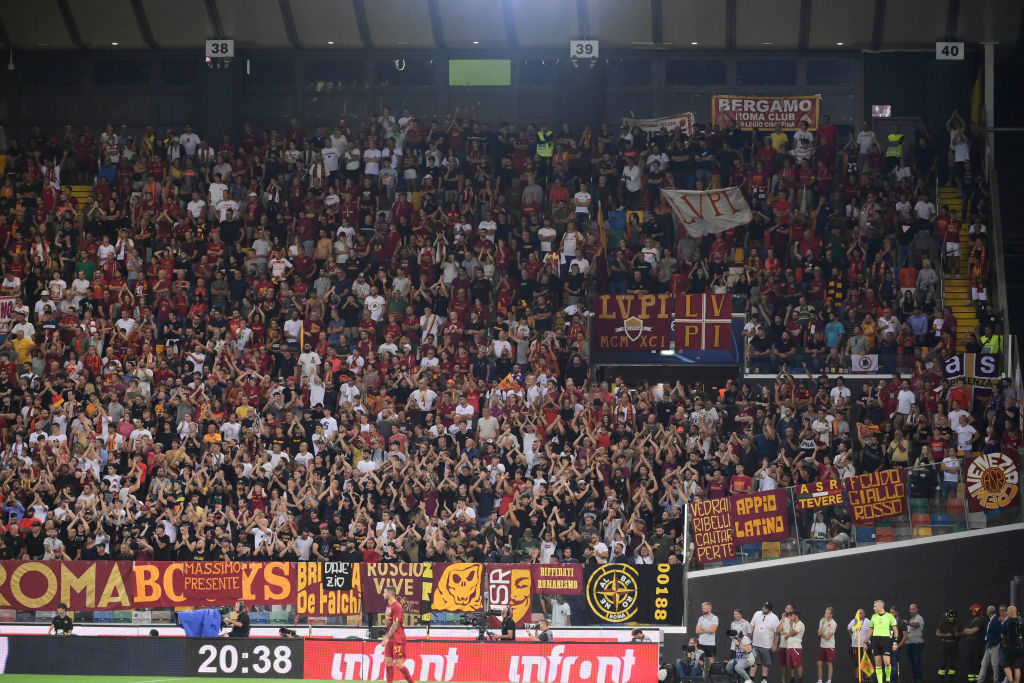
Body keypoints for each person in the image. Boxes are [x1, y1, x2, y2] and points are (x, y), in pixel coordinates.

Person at [381, 586, 415, 683]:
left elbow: (395, 624)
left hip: (398, 639)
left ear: (390, 594)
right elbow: (389, 623)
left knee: (399, 664)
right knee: (388, 661)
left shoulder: (397, 606)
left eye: (384, 592)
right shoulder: (388, 606)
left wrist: (387, 637)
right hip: (390, 638)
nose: (383, 594)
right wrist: (387, 635)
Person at [750, 601, 781, 683]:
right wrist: (748, 638)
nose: (763, 608)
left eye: (765, 607)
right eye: (763, 607)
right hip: (755, 644)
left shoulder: (774, 618)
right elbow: (752, 626)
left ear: (770, 609)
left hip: (767, 645)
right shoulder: (757, 613)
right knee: (754, 662)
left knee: (766, 663)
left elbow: (776, 633)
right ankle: (751, 679)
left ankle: (764, 679)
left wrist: (775, 645)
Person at [869, 600, 897, 683]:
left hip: (886, 641)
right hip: (876, 641)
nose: (873, 608)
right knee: (878, 664)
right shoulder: (873, 616)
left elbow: (895, 630)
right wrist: (865, 641)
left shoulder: (889, 616)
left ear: (880, 606)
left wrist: (895, 642)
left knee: (887, 663)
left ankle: (888, 680)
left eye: (875, 606)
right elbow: (871, 629)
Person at [936, 608, 961, 683]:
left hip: (954, 645)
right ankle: (940, 680)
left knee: (953, 665)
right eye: (950, 617)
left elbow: (963, 633)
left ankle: (951, 680)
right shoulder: (943, 622)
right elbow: (937, 633)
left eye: (952, 617)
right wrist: (945, 635)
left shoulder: (957, 623)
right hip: (945, 644)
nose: (951, 619)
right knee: (942, 664)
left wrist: (958, 634)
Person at [976, 606, 1001, 683]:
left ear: (989, 612)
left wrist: (994, 643)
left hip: (994, 646)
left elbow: (999, 634)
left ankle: (996, 680)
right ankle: (980, 680)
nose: (986, 611)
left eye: (987, 610)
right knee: (983, 664)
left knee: (994, 664)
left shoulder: (995, 620)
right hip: (989, 645)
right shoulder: (992, 620)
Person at [963, 603, 986, 683]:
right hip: (969, 646)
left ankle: (978, 680)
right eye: (972, 611)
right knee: (970, 663)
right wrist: (969, 631)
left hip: (978, 646)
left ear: (978, 611)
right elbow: (965, 630)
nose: (972, 612)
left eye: (974, 611)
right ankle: (971, 680)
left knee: (977, 663)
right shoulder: (971, 621)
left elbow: (975, 629)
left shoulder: (981, 620)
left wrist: (970, 630)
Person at [783, 609, 805, 683]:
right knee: (791, 665)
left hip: (796, 647)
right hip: (789, 647)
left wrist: (788, 633)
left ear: (796, 616)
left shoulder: (800, 624)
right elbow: (790, 632)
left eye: (792, 615)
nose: (791, 617)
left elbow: (793, 633)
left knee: (798, 664)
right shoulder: (793, 624)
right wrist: (789, 632)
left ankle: (800, 679)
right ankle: (793, 678)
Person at [1003, 605, 1024, 683]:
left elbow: (1002, 633)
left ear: (1011, 612)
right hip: (1020, 648)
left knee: (1005, 664)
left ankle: (1011, 681)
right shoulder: (1021, 621)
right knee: (1017, 667)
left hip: (1010, 648)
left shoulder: (1008, 621)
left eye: (1007, 611)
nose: (1006, 612)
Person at [905, 603, 925, 683]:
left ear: (917, 609)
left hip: (917, 644)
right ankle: (915, 678)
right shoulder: (911, 619)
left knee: (917, 662)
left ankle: (919, 679)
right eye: (910, 609)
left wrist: (908, 623)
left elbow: (916, 625)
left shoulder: (919, 618)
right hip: (909, 644)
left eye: (913, 609)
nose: (911, 611)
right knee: (912, 663)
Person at [817, 606, 837, 683]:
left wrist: (821, 634)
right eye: (825, 612)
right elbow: (818, 632)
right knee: (819, 663)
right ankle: (820, 680)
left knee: (829, 663)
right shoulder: (822, 620)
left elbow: (828, 637)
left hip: (830, 646)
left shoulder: (833, 623)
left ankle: (829, 681)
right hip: (822, 646)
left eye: (828, 613)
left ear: (831, 615)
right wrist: (822, 623)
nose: (826, 614)